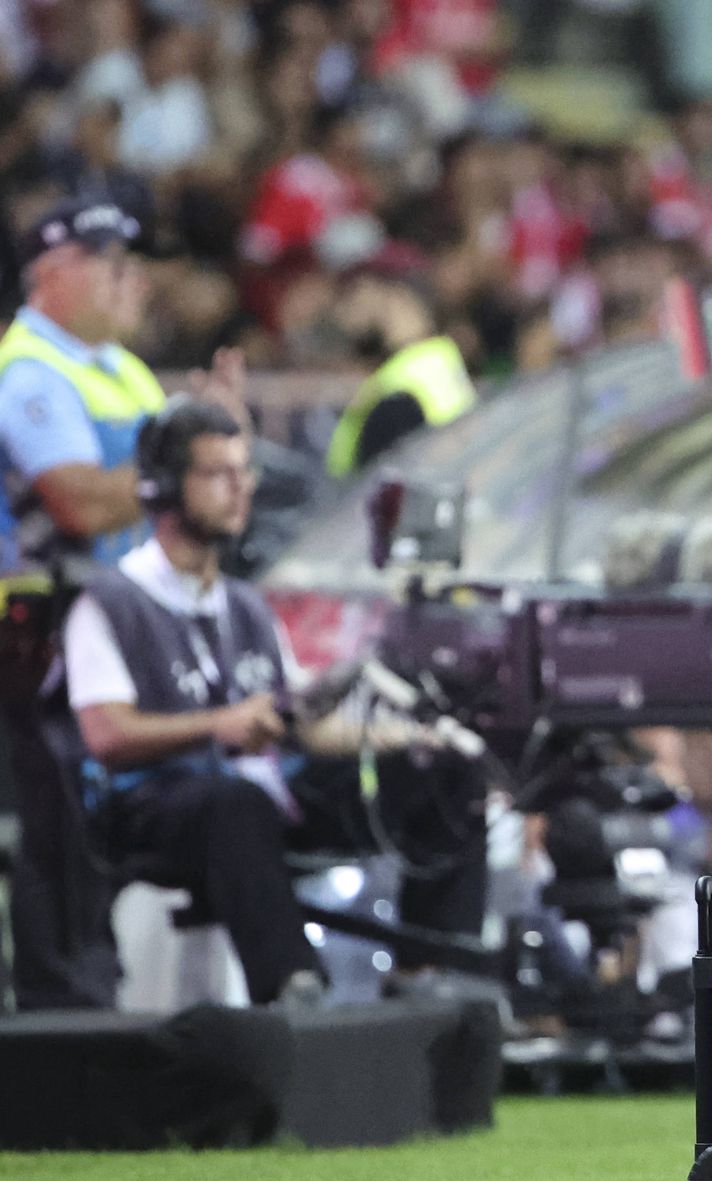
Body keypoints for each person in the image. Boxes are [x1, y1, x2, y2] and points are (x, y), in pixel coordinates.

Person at [65, 398, 491, 1006]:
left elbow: (298, 725)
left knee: (445, 768)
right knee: (235, 804)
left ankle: (431, 971)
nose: (240, 491)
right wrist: (221, 726)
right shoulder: (111, 602)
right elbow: (106, 736)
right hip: (152, 809)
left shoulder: (244, 605)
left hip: (265, 799)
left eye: (244, 473)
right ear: (161, 488)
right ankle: (293, 986)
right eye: (218, 474)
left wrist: (395, 738)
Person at [0, 197, 219, 1008]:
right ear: (51, 276)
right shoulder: (29, 369)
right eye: (113, 265)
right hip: (39, 620)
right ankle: (62, 1000)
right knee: (59, 812)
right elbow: (81, 505)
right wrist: (187, 471)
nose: (135, 282)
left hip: (119, 615)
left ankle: (96, 985)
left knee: (101, 813)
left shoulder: (117, 366)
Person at [325, 267, 476, 477]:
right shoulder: (436, 363)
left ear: (404, 301)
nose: (344, 313)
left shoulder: (403, 384)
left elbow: (383, 480)